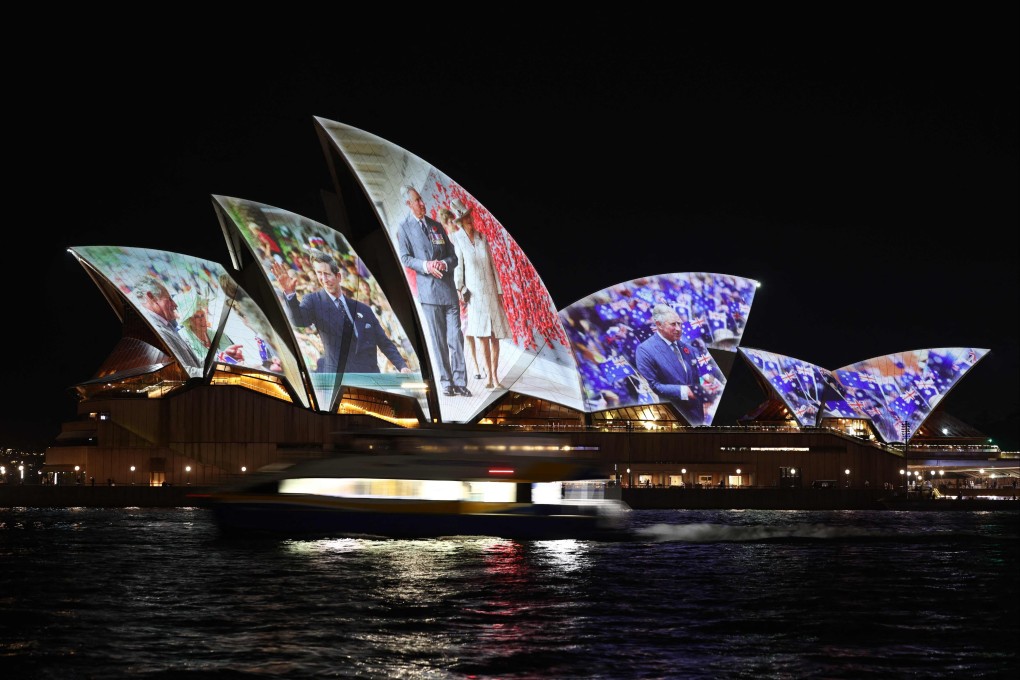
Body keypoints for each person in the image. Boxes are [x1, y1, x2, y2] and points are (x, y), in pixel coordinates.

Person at [271, 250, 411, 375]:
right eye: (319, 274)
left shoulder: (363, 309)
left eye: (327, 274)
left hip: (371, 378)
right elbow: (298, 320)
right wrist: (290, 294)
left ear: (338, 277)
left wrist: (402, 366)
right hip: (341, 382)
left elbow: (383, 341)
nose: (323, 279)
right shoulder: (313, 301)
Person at [396, 185, 469, 397]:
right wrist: (427, 266)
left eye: (421, 199)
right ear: (409, 204)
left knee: (455, 338)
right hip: (429, 294)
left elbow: (453, 257)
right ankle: (447, 382)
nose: (422, 203)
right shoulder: (404, 228)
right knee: (439, 341)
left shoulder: (437, 226)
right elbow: (406, 258)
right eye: (417, 200)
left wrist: (443, 265)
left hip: (448, 292)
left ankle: (460, 381)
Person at [448, 198, 510, 389]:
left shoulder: (483, 238)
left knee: (495, 336)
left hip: (491, 292)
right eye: (465, 217)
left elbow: (493, 267)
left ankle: (495, 376)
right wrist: (460, 288)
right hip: (475, 295)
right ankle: (489, 378)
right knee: (482, 336)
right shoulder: (458, 240)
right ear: (459, 220)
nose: (469, 220)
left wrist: (499, 291)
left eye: (469, 216)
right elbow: (459, 267)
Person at [634, 303, 708, 425]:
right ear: (659, 325)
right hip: (672, 415)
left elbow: (703, 372)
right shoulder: (645, 350)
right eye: (673, 324)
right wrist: (685, 391)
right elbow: (654, 385)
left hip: (697, 414)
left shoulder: (689, 348)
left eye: (680, 324)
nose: (679, 328)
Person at [133, 276, 203, 373]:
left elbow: (194, 363)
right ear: (151, 297)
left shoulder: (166, 325)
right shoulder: (154, 330)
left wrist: (220, 362)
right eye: (169, 299)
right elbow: (183, 372)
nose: (175, 304)